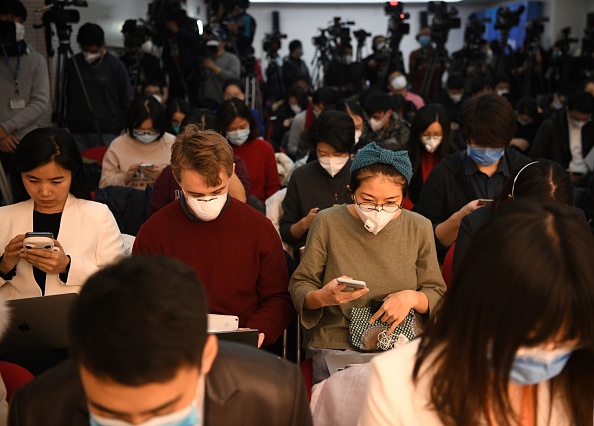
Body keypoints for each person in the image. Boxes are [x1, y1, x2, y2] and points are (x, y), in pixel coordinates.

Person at [359, 201, 594, 426]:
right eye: (532, 337)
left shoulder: (581, 374)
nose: (548, 353)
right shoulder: (398, 381)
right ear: (482, 304)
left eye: (566, 338)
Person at [8, 256, 313, 426]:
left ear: (206, 354)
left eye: (164, 413)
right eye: (113, 417)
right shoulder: (37, 410)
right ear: (81, 363)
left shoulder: (274, 395)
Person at [289, 143, 446, 383]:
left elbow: (435, 291)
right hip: (337, 341)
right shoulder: (328, 222)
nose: (378, 210)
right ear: (352, 192)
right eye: (368, 200)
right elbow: (300, 284)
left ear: (405, 197)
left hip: (399, 340)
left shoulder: (419, 226)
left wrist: (411, 298)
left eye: (391, 202)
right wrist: (323, 296)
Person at [133, 127, 294, 348]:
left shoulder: (259, 228)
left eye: (217, 191)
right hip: (174, 348)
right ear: (177, 180)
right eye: (196, 194)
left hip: (243, 347)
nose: (207, 201)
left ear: (232, 172)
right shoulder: (154, 232)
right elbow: (140, 300)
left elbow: (278, 298)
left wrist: (256, 332)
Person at [0, 128, 124, 300]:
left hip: (79, 320)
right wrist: (3, 266)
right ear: (19, 175)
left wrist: (68, 266)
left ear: (73, 174)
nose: (44, 191)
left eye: (56, 181)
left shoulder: (98, 215)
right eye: (33, 180)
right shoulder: (4, 217)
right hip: (15, 323)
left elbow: (120, 282)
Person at [413, 93, 530, 259]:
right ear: (466, 137)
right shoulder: (445, 173)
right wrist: (459, 219)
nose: (487, 149)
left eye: (494, 144)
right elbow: (420, 234)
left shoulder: (523, 170)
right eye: (479, 143)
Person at [454, 160, 575, 275]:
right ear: (511, 201)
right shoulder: (476, 226)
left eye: (555, 215)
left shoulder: (574, 221)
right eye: (535, 217)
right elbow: (466, 288)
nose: (546, 223)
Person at [280, 110, 355, 260]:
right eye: (323, 153)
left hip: (353, 254)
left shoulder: (360, 175)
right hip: (311, 257)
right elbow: (287, 232)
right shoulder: (301, 176)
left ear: (349, 149)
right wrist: (307, 222)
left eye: (337, 154)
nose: (330, 159)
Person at [149, 108, 251, 215]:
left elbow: (241, 200)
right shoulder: (172, 171)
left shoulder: (235, 163)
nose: (200, 148)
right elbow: (157, 212)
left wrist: (225, 163)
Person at [65, 23, 134, 152]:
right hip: (77, 130)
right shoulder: (72, 64)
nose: (90, 54)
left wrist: (125, 127)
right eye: (86, 50)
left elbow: (127, 99)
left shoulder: (116, 66)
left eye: (94, 51)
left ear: (103, 44)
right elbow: (65, 96)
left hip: (108, 131)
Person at [0, 0, 50, 166]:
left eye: (17, 19)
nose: (13, 23)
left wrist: (6, 128)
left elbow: (40, 102)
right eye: (7, 18)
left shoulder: (36, 60)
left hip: (28, 140)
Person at [99, 96, 175, 190]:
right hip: (127, 201)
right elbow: (103, 184)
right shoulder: (118, 145)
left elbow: (185, 184)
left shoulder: (172, 143)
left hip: (163, 202)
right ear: (132, 125)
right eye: (140, 130)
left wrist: (164, 175)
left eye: (151, 130)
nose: (146, 134)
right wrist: (125, 177)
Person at [218, 98, 280, 203]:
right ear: (223, 129)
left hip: (261, 209)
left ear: (250, 123)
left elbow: (273, 187)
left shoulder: (264, 148)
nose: (238, 132)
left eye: (242, 127)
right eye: (232, 129)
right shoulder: (219, 152)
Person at [406, 104, 453, 206]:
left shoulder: (455, 156)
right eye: (426, 134)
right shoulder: (406, 156)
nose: (432, 139)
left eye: (437, 134)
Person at [287, 87, 338, 160]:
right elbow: (291, 147)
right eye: (317, 106)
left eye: (322, 108)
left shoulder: (339, 120)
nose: (318, 110)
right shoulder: (300, 120)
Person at [199, 33, 241, 108]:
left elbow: (234, 78)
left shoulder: (232, 58)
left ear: (224, 43)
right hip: (204, 101)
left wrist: (214, 68)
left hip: (222, 102)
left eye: (216, 39)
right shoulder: (205, 58)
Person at [408, 26, 445, 102]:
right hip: (417, 90)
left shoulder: (437, 54)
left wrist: (424, 67)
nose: (424, 37)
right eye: (422, 35)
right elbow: (414, 72)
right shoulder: (415, 54)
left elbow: (440, 70)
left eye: (427, 35)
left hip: (434, 91)